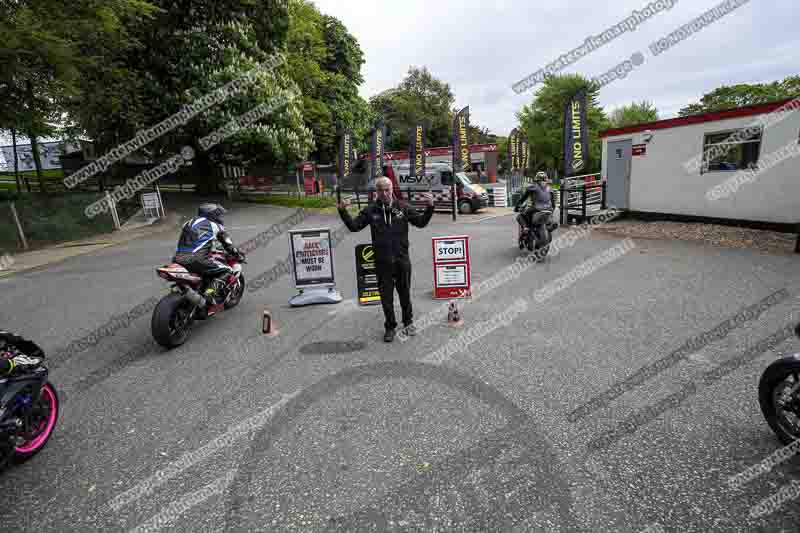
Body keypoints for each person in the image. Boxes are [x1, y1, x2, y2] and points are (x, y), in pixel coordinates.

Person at [338, 177, 434, 342]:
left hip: (402, 260)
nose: (384, 193)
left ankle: (408, 322)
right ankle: (390, 326)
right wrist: (343, 211)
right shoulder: (371, 210)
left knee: (405, 293)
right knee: (386, 296)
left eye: (387, 189)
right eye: (380, 190)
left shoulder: (402, 207)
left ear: (392, 189)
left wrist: (430, 206)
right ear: (376, 192)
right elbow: (354, 227)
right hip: (382, 262)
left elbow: (421, 222)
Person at [173, 203, 242, 305]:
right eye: (217, 215)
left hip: (178, 258)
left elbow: (195, 241)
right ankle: (210, 293)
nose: (219, 217)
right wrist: (237, 255)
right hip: (197, 259)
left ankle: (193, 291)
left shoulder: (188, 223)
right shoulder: (215, 225)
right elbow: (228, 245)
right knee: (227, 271)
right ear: (211, 215)